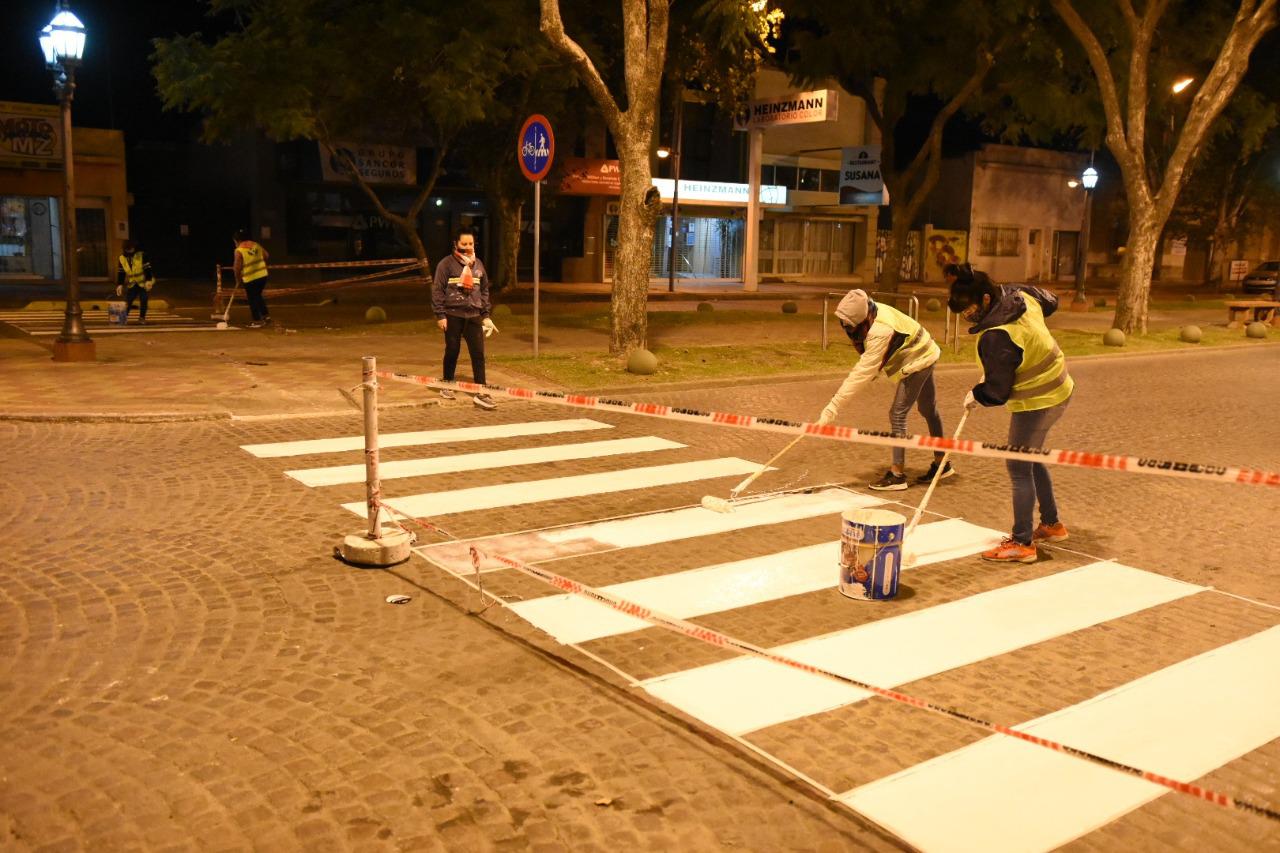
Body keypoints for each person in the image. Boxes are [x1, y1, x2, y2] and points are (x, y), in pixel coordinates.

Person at [948, 266, 1074, 563]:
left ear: (987, 299)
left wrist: (977, 394)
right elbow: (1051, 301)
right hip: (1060, 387)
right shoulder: (1021, 295)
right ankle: (1052, 525)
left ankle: (1022, 542)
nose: (967, 317)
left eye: (969, 310)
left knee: (1019, 467)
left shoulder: (997, 336)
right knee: (1031, 458)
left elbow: (997, 392)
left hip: (1038, 400)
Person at [819, 289, 952, 490]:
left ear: (858, 319)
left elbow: (861, 374)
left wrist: (833, 407)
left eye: (847, 323)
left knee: (897, 414)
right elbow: (871, 364)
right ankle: (942, 464)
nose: (844, 327)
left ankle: (898, 475)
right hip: (927, 350)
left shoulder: (879, 330)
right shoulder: (871, 311)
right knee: (928, 410)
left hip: (918, 360)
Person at [432, 226, 498, 410]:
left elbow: (484, 290)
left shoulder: (478, 265)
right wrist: (440, 315)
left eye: (471, 243)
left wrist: (486, 315)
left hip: (474, 316)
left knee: (478, 355)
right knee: (452, 350)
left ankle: (481, 392)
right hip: (453, 315)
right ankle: (447, 384)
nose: (468, 247)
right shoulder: (445, 265)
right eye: (464, 243)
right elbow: (437, 290)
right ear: (456, 244)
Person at [233, 229, 272, 328]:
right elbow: (266, 255)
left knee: (252, 298)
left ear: (237, 240)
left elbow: (237, 267)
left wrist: (237, 278)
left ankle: (257, 320)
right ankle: (266, 316)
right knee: (258, 296)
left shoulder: (239, 250)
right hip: (262, 275)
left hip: (250, 278)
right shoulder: (256, 245)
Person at [116, 240, 155, 325]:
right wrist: (120, 284)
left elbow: (147, 268)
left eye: (132, 248)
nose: (130, 250)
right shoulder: (122, 258)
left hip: (143, 283)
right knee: (128, 301)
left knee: (144, 300)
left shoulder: (141, 255)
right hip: (132, 283)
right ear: (125, 249)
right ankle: (122, 318)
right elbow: (121, 272)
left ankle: (142, 318)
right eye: (128, 249)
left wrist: (148, 280)